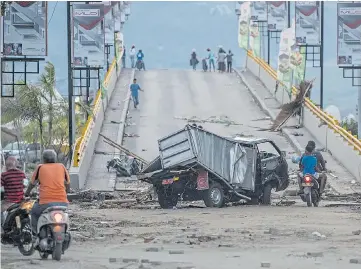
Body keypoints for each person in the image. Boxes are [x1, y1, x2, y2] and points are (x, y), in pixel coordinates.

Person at [25, 150, 70, 236]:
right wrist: (66, 192)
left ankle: (35, 233)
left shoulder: (40, 167)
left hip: (45, 203)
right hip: (63, 202)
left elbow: (32, 184)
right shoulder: (61, 167)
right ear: (55, 158)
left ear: (43, 159)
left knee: (33, 212)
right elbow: (67, 183)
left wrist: (27, 193)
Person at [1, 157, 26, 227]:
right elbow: (24, 185)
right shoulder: (22, 174)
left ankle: (2, 228)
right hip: (20, 201)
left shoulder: (4, 175)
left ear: (6, 165)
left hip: (9, 202)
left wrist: (3, 171)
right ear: (15, 164)